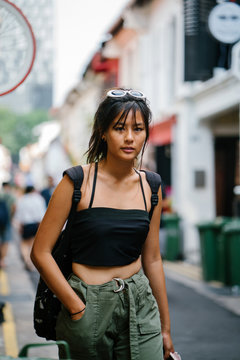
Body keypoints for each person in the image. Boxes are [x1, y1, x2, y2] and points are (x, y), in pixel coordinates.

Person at [31, 88, 174, 360]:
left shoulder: (151, 186)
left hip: (140, 304)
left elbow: (153, 259)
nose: (130, 137)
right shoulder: (76, 182)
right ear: (103, 132)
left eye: (138, 128)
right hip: (87, 307)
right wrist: (75, 307)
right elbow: (40, 252)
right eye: (120, 128)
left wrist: (166, 328)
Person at [15, 185, 46, 271]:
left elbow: (19, 214)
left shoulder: (22, 199)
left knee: (24, 244)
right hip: (36, 224)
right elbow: (42, 213)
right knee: (32, 243)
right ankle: (31, 262)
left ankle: (27, 260)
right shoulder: (39, 199)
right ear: (33, 190)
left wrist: (20, 226)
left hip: (26, 224)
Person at [0, 182, 16, 268]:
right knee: (5, 241)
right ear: (8, 186)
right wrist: (11, 217)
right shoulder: (11, 195)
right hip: (7, 221)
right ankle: (2, 261)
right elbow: (14, 207)